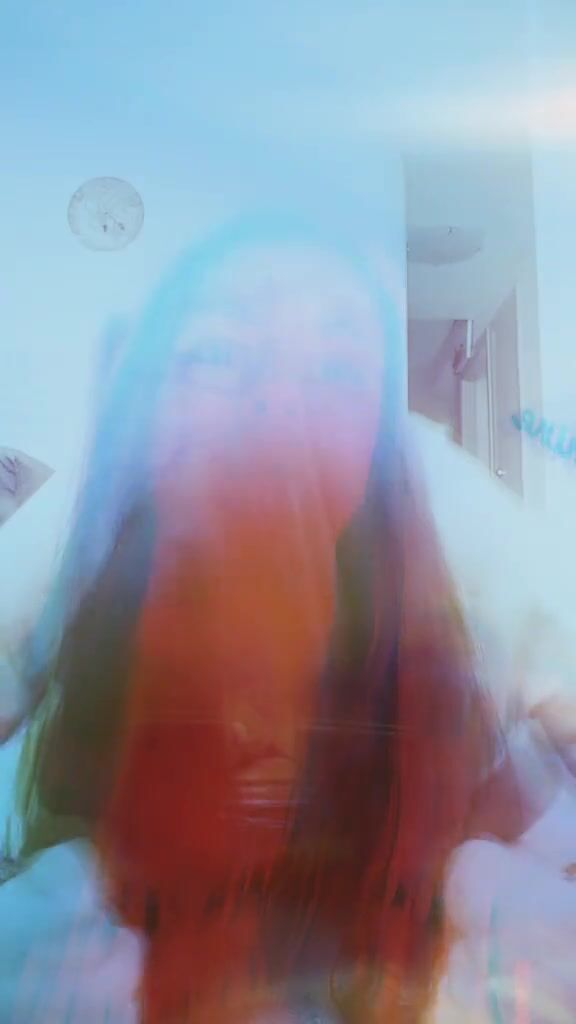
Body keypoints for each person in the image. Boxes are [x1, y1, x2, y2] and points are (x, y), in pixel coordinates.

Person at [0, 216, 531, 1023]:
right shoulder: (54, 614)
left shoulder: (464, 676)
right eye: (216, 354)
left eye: (336, 367)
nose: (278, 405)